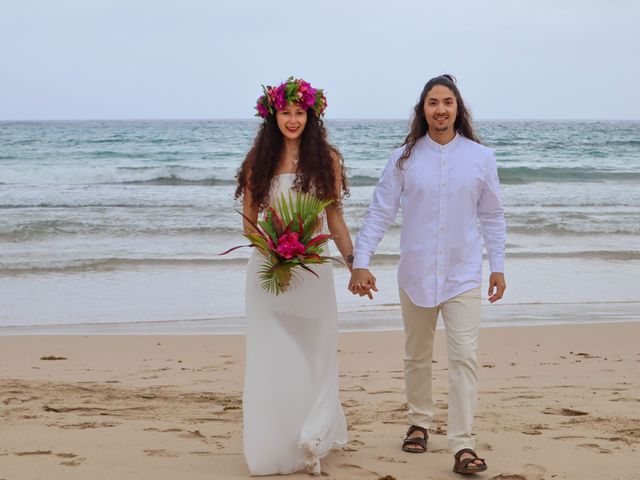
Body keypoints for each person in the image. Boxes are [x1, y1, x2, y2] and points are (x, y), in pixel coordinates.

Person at [348, 74, 506, 475]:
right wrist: (360, 260)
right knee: (416, 355)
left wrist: (499, 267)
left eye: (447, 102)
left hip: (464, 275)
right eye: (433, 102)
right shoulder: (404, 157)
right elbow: (381, 211)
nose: (440, 109)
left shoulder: (480, 158)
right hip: (415, 273)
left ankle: (463, 445)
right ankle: (419, 423)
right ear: (423, 109)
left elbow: (492, 216)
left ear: (458, 108)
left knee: (464, 358)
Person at [235, 77, 352, 476]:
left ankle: (313, 434)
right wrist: (274, 250)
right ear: (273, 115)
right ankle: (277, 439)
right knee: (272, 352)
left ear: (311, 115)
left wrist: (357, 264)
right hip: (269, 269)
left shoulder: (327, 160)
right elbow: (250, 224)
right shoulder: (258, 161)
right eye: (285, 112)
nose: (292, 119)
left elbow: (334, 219)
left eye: (299, 112)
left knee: (317, 351)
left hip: (314, 268)